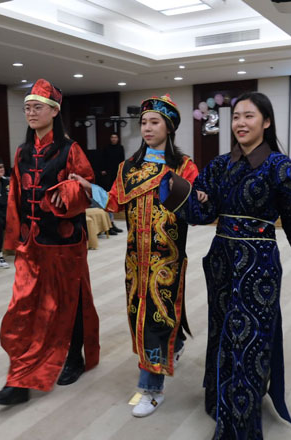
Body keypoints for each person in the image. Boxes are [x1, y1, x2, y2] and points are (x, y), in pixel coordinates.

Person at [160, 91, 291, 439]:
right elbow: (203, 211)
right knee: (222, 333)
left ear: (266, 122)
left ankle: (238, 427)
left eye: (249, 116)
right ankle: (219, 401)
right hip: (222, 261)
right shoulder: (220, 165)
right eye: (237, 117)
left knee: (247, 340)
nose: (240, 123)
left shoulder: (280, 167)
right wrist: (176, 190)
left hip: (259, 265)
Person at [70, 94, 199, 417]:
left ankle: (151, 389)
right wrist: (87, 187)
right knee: (138, 314)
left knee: (156, 317)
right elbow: (115, 202)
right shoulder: (128, 167)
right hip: (134, 259)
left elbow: (196, 210)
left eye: (155, 122)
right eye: (144, 122)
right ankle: (176, 345)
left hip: (166, 260)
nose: (147, 128)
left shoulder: (184, 166)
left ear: (169, 128)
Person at [0, 78, 100, 406]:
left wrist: (69, 191)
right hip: (31, 245)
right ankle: (20, 375)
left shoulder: (69, 149)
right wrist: (14, 238)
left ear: (54, 111)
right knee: (24, 306)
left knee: (70, 301)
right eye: (27, 108)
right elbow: (15, 196)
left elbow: (87, 187)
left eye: (37, 107)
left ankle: (74, 357)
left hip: (65, 243)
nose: (31, 112)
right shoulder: (22, 152)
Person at [97, 132, 125, 234]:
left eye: (115, 137)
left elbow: (122, 160)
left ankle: (112, 223)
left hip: (117, 172)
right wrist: (103, 169)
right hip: (108, 173)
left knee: (116, 192)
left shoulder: (120, 148)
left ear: (118, 139)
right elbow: (102, 159)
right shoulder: (106, 148)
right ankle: (110, 224)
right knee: (108, 194)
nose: (114, 139)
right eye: (112, 137)